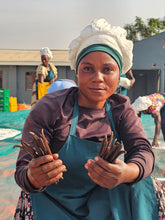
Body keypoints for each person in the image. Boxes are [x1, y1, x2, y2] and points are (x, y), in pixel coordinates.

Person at [14, 18, 159, 219]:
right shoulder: (50, 107)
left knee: (142, 182)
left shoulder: (121, 109)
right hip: (53, 201)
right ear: (77, 72)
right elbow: (23, 169)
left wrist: (126, 172)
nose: (97, 77)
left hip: (106, 198)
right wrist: (33, 175)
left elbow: (143, 150)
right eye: (88, 68)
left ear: (119, 75)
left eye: (107, 69)